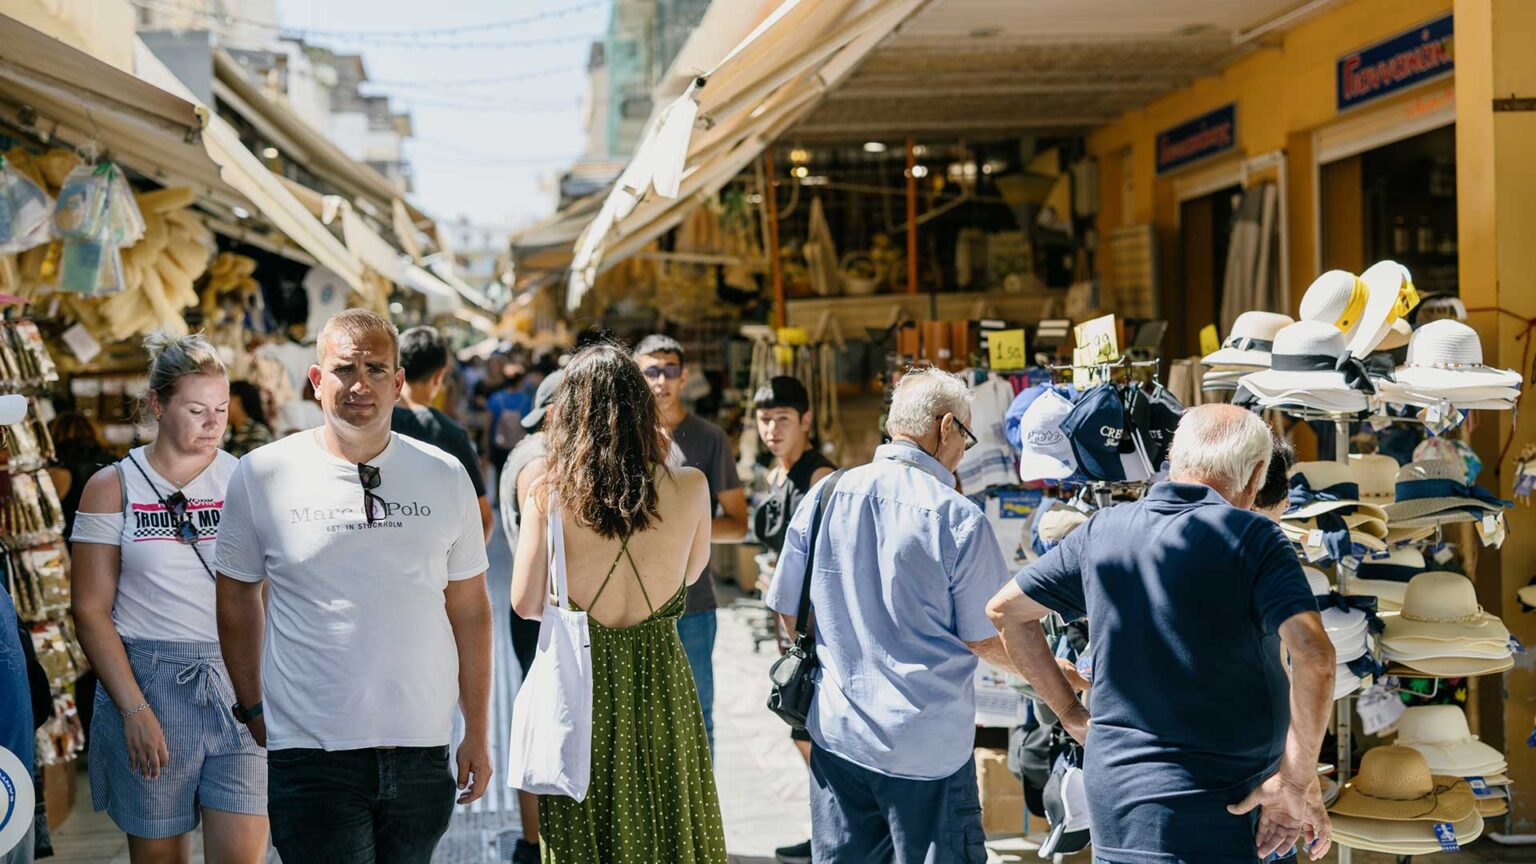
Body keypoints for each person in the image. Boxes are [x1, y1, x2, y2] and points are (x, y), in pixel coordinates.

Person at [988, 404, 1336, 864]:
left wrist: (1071, 712)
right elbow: (1315, 656)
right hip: (1222, 809)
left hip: (1121, 802)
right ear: (1255, 478)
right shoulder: (1254, 537)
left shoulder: (1102, 531)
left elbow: (1006, 612)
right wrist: (1294, 779)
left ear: (1174, 458)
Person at [214, 309, 494, 864]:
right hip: (312, 752)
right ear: (318, 381)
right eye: (345, 369)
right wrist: (251, 706)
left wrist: (478, 732)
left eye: (375, 368)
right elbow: (235, 595)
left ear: (398, 383)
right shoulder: (262, 473)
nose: (360, 384)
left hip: (420, 749)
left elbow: (470, 610)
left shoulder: (445, 475)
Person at [764, 367, 1012, 863]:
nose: (963, 451)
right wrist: (1065, 685)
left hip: (838, 740)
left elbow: (788, 616)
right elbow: (988, 640)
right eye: (964, 436)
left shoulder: (826, 493)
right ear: (945, 430)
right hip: (928, 752)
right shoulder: (958, 518)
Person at [510, 343, 727, 863]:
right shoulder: (691, 486)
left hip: (581, 685)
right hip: (662, 679)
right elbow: (691, 574)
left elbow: (523, 601)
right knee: (668, 816)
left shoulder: (549, 494)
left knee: (587, 829)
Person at [70, 332, 269, 864]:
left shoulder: (246, 480)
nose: (213, 424)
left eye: (222, 409)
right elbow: (89, 609)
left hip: (239, 685)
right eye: (197, 409)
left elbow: (267, 593)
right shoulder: (113, 485)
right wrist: (133, 707)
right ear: (157, 405)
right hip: (148, 683)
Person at [632, 334, 747, 750]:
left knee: (698, 718)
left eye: (671, 370)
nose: (661, 381)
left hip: (693, 603)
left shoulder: (709, 437)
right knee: (642, 726)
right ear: (637, 377)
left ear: (684, 377)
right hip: (633, 605)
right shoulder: (624, 437)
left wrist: (684, 527)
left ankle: (702, 816)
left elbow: (736, 523)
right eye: (651, 371)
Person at [749, 376, 834, 864]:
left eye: (782, 418)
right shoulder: (774, 474)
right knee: (800, 728)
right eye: (764, 419)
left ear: (805, 420)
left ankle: (834, 829)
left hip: (814, 626)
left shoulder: (819, 477)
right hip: (790, 626)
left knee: (810, 731)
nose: (771, 429)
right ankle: (825, 826)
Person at [495, 366, 564, 864]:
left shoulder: (526, 453)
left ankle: (534, 839)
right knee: (545, 725)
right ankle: (536, 841)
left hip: (537, 611)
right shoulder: (540, 463)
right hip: (542, 613)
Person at [392, 326, 493, 540]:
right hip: (434, 562)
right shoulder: (450, 433)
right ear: (439, 376)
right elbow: (484, 519)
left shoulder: (371, 424)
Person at [224, 381, 274, 458]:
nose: (223, 407)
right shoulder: (231, 434)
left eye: (226, 400)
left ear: (238, 400)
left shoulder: (257, 433)